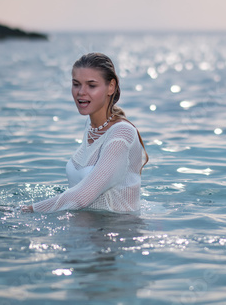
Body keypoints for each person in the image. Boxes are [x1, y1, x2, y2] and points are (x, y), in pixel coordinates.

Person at [21, 53, 148, 213]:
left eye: (91, 85)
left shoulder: (121, 133)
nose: (81, 92)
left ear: (111, 87)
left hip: (118, 232)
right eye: (76, 84)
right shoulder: (91, 125)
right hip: (88, 231)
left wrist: (28, 210)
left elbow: (82, 197)